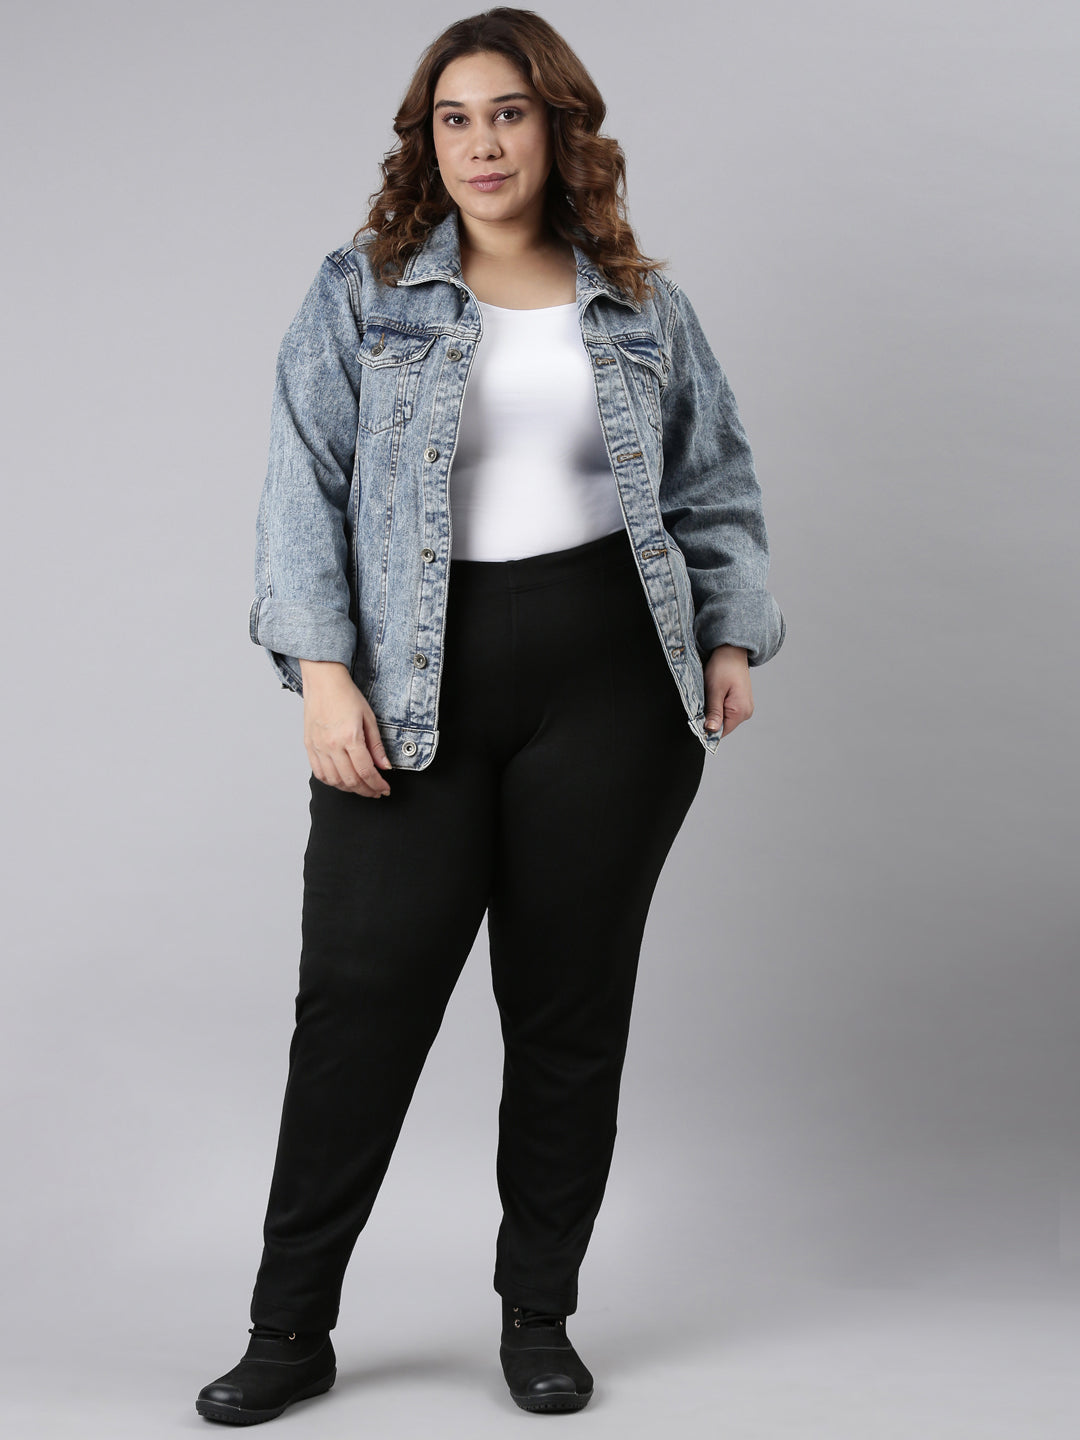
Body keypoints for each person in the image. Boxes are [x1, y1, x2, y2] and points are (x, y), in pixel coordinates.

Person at [196, 5, 785, 1426]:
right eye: (454, 119)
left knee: (568, 1013)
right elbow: (300, 488)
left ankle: (538, 1314)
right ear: (428, 142)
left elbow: (712, 482)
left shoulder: (638, 300)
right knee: (359, 1006)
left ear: (557, 128)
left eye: (508, 114)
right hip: (414, 684)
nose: (482, 144)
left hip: (611, 685)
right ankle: (290, 1328)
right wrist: (321, 675)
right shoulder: (364, 291)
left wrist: (729, 631)